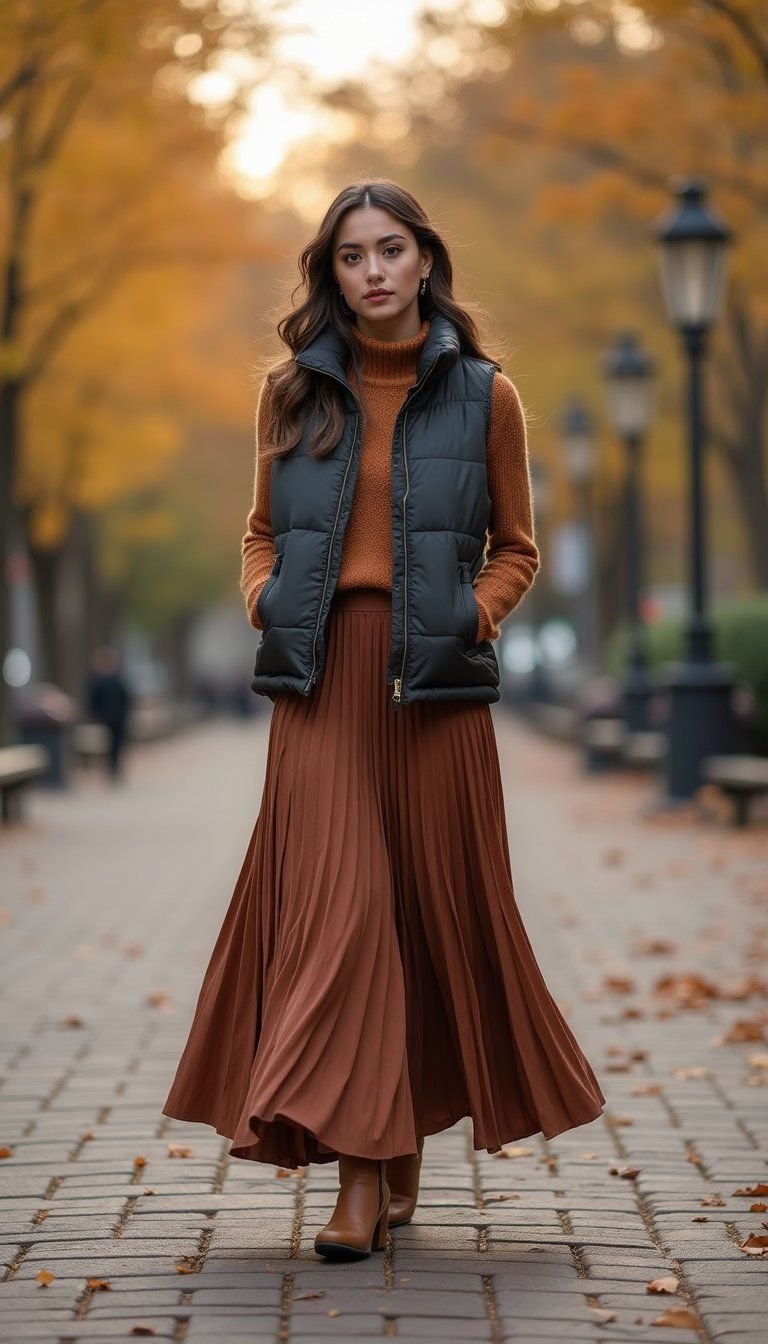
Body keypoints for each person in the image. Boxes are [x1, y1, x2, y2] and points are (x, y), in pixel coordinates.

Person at [162, 178, 606, 1261]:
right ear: (333, 272)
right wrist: (267, 599)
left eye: (390, 250)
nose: (372, 270)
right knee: (345, 913)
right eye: (352, 254)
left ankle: (395, 1134)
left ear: (424, 261)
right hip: (321, 690)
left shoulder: (486, 395)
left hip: (436, 694)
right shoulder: (291, 394)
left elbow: (517, 547)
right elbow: (260, 535)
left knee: (419, 910)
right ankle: (357, 1180)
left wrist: (472, 618)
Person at [85, 645, 133, 782]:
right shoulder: (99, 680)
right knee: (108, 744)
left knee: (117, 743)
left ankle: (115, 768)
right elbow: (93, 699)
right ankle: (111, 768)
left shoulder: (117, 678)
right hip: (106, 718)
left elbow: (126, 698)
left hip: (118, 717)